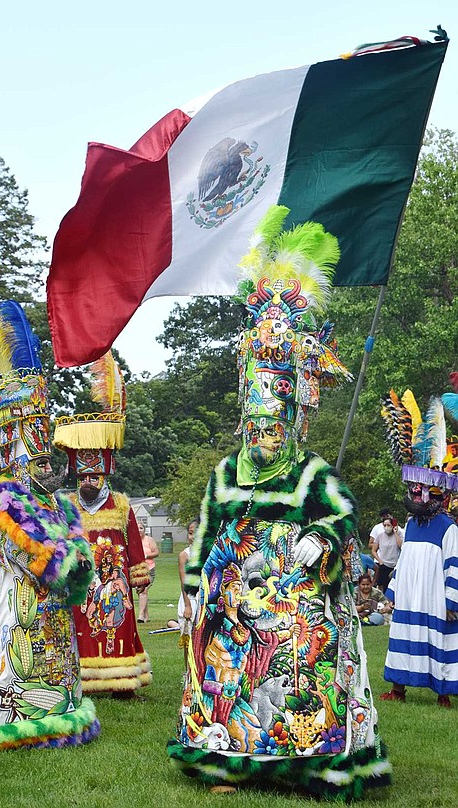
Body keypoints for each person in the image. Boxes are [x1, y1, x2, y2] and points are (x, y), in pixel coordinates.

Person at [167, 206, 390, 800]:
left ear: (294, 419)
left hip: (296, 599)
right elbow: (204, 535)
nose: (263, 432)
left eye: (275, 422)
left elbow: (344, 514)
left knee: (298, 672)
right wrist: (192, 592)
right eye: (256, 419)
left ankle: (308, 762)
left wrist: (323, 537)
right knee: (228, 683)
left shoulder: (313, 471)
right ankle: (227, 761)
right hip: (232, 610)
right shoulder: (224, 472)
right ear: (246, 414)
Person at [0, 297, 99, 750]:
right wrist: (69, 562)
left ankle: (58, 713)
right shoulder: (7, 500)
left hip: (51, 609)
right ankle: (13, 721)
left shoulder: (56, 500)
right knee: (20, 664)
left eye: (46, 445)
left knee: (53, 662)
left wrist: (77, 559)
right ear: (15, 455)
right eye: (36, 449)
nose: (46, 457)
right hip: (18, 606)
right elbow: (36, 554)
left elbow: (74, 545)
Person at [54, 351, 152, 695]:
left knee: (119, 628)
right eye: (84, 475)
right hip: (80, 582)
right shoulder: (65, 505)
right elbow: (59, 542)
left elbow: (135, 542)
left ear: (104, 473)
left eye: (95, 475)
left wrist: (139, 575)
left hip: (115, 582)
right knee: (79, 627)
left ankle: (123, 683)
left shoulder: (121, 503)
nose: (89, 481)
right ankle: (82, 682)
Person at [380, 388, 458, 708]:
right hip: (411, 595)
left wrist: (452, 600)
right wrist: (393, 594)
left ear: (442, 496)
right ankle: (398, 689)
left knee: (438, 639)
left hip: (437, 599)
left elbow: (454, 566)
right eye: (415, 490)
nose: (419, 497)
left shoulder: (449, 528)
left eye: (425, 491)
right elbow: (403, 562)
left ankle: (443, 693)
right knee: (403, 638)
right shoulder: (411, 525)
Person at [177, 519, 199, 665]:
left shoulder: (210, 553)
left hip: (204, 599)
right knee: (189, 641)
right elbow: (184, 581)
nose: (193, 537)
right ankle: (188, 675)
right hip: (189, 599)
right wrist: (188, 606)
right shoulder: (184, 555)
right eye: (190, 533)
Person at [372, 517, 404, 592]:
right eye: (384, 525)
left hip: (395, 565)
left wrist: (395, 532)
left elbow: (400, 546)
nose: (386, 527)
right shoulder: (380, 536)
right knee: (382, 585)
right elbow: (373, 550)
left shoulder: (399, 534)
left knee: (394, 587)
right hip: (384, 564)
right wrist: (380, 561)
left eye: (388, 525)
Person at [137, 521, 159, 623]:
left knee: (144, 590)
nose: (139, 530)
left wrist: (146, 556)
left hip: (150, 569)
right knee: (141, 592)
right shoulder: (133, 541)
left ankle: (140, 615)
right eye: (137, 528)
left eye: (141, 528)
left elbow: (156, 552)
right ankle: (146, 616)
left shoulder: (149, 540)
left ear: (144, 530)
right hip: (138, 570)